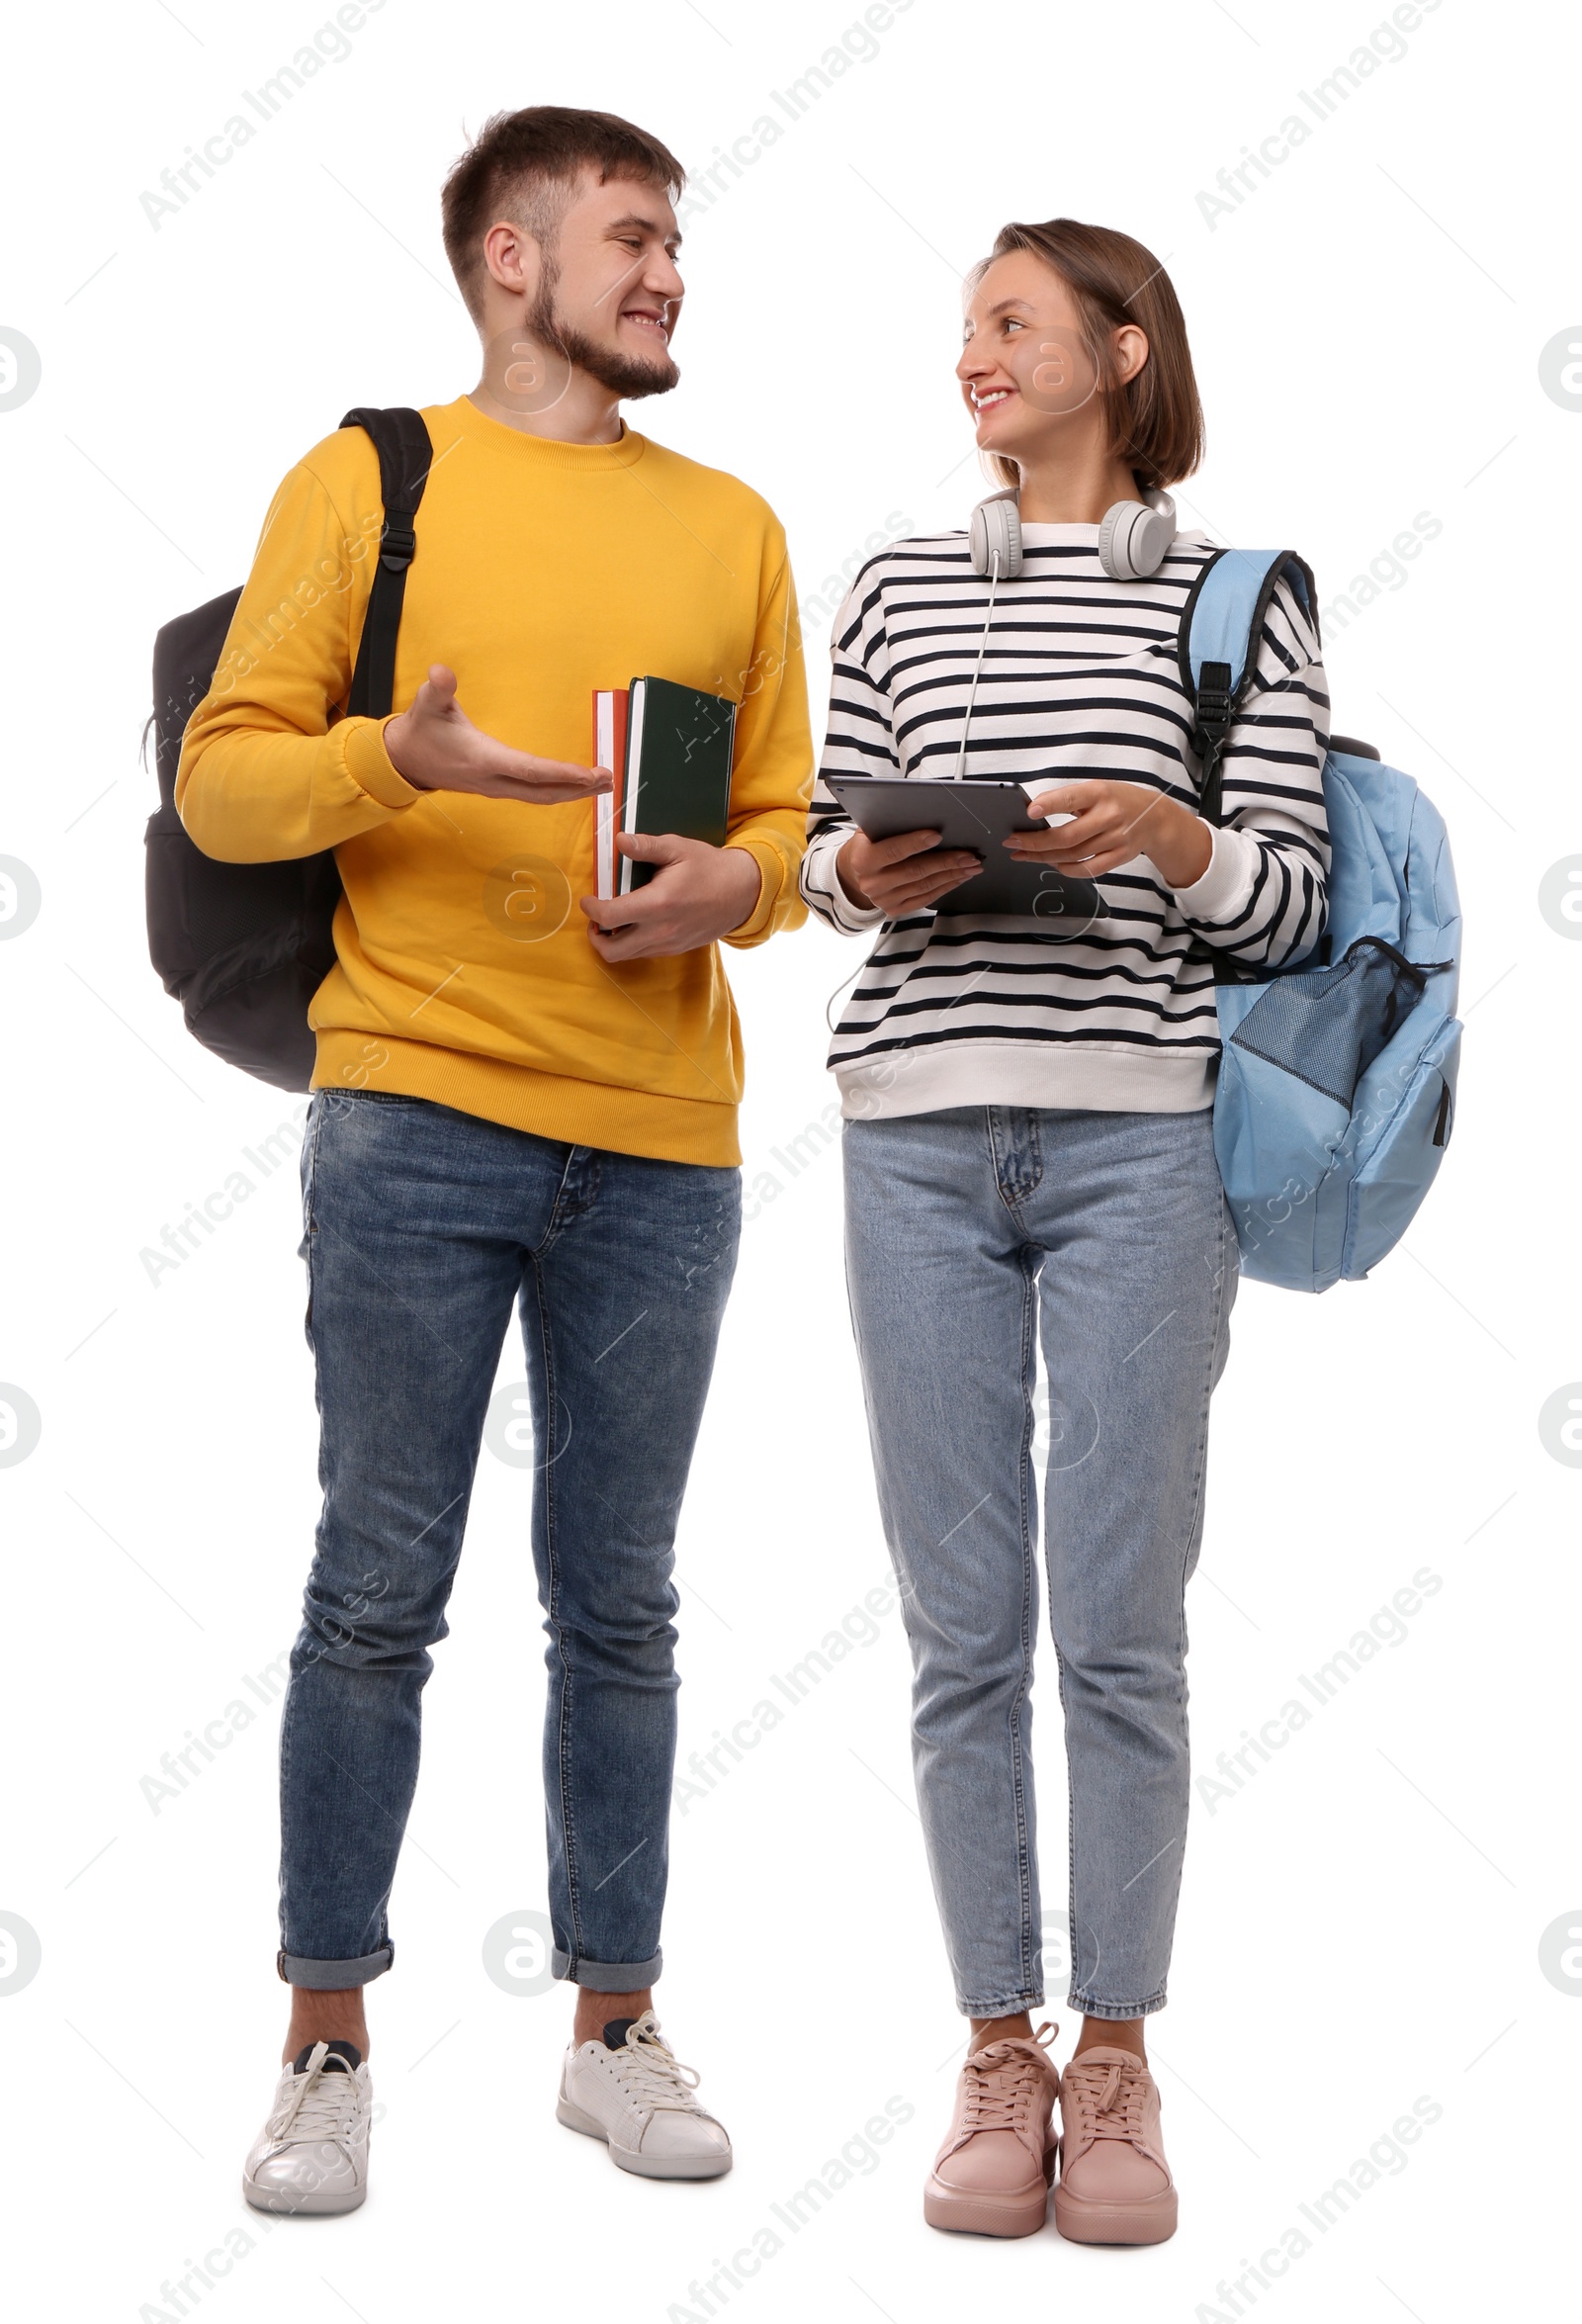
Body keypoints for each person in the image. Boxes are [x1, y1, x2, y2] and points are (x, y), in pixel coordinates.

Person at [177, 105, 811, 2213]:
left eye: (674, 244)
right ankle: (324, 2040)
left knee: (618, 1607)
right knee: (374, 1595)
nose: (667, 274)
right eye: (631, 239)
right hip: (416, 1115)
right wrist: (396, 756)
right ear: (509, 259)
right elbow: (225, 783)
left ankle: (610, 2024)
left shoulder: (729, 524)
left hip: (658, 1136)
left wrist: (732, 883)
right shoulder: (369, 479)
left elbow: (794, 828)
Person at [800, 217, 1329, 2243]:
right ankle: (990, 2044)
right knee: (957, 1631)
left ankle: (1114, 2053)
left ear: (1120, 349)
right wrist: (868, 858)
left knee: (1115, 1627)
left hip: (1137, 1143)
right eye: (957, 333)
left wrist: (1169, 833)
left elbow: (1279, 905)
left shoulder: (1232, 600)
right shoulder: (896, 586)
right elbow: (827, 871)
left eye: (1007, 324)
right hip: (913, 1133)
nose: (971, 359)